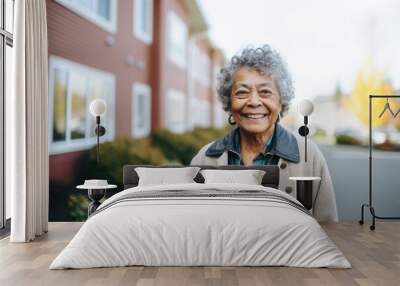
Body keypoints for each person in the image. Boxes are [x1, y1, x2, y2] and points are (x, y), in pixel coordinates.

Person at [191, 45, 338, 222]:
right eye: (242, 92)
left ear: (281, 101)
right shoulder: (205, 158)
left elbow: (328, 229)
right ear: (229, 102)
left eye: (265, 92)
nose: (254, 101)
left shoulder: (309, 157)